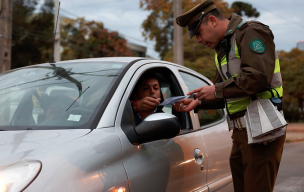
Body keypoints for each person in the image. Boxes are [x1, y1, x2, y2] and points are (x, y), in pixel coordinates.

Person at [173, 1, 285, 191]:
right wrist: (197, 102)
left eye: (198, 32)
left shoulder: (251, 32)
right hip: (241, 133)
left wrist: (216, 90)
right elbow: (227, 93)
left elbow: (258, 77)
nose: (198, 40)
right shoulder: (222, 49)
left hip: (261, 128)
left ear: (213, 20)